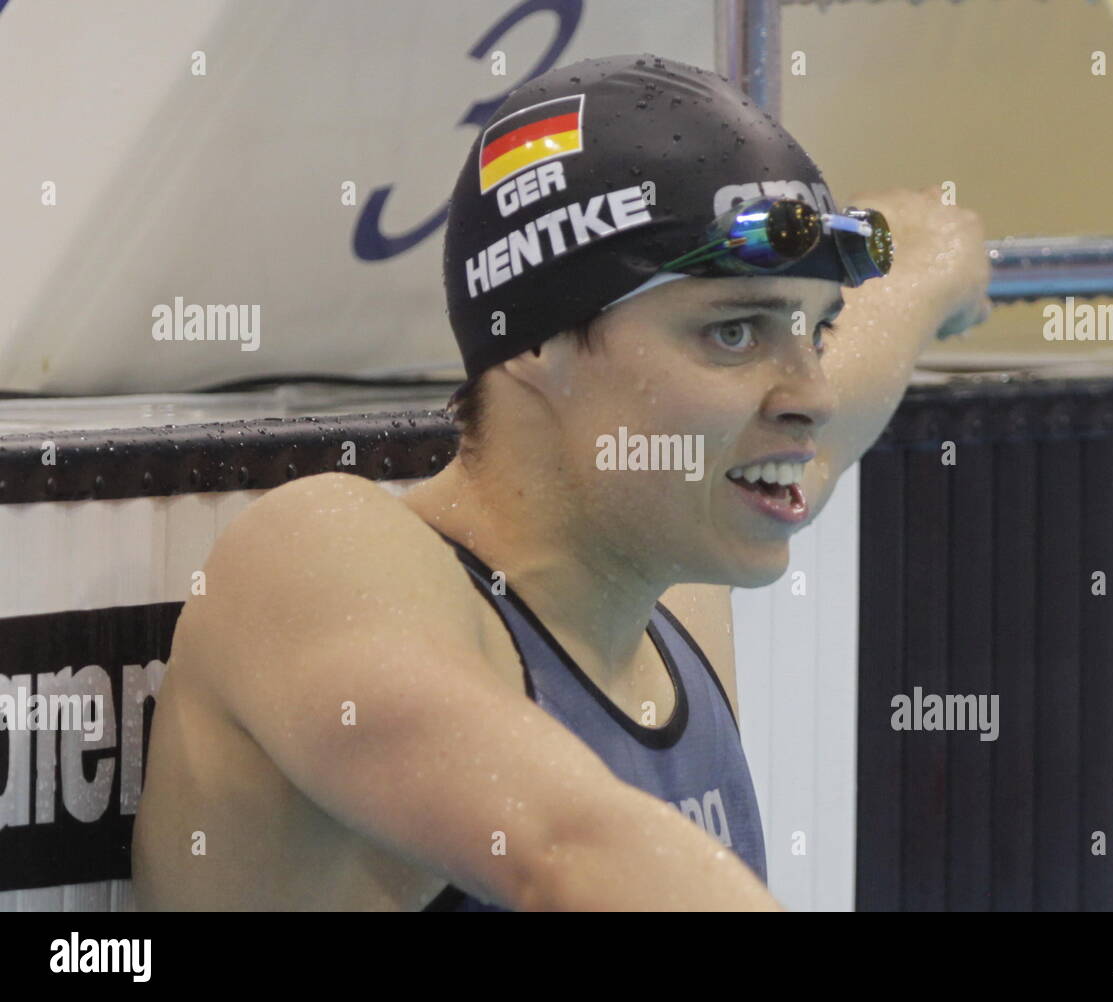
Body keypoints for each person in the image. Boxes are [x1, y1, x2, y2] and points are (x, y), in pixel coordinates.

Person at [131, 53, 991, 911]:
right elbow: (568, 853)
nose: (812, 393)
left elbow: (877, 338)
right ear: (534, 341)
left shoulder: (672, 583)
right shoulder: (322, 562)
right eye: (735, 333)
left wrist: (936, 260)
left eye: (815, 331)